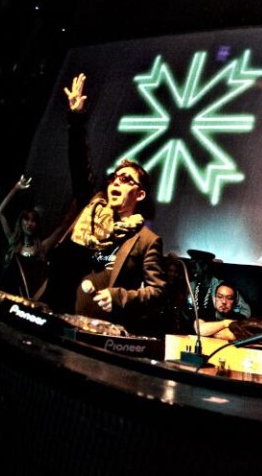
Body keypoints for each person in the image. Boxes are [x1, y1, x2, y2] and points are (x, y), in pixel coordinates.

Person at [41, 72, 167, 336]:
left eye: (126, 179)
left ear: (139, 194)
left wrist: (120, 297)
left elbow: (157, 291)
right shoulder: (92, 206)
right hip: (53, 310)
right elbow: (79, 164)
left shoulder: (146, 240)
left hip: (95, 331)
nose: (116, 182)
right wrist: (76, 118)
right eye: (114, 178)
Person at [0, 174, 58, 300]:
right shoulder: (13, 241)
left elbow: (63, 227)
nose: (29, 223)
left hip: (26, 299)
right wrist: (16, 188)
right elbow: (0, 211)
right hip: (5, 293)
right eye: (26, 219)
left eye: (33, 221)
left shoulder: (41, 247)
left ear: (37, 225)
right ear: (21, 222)